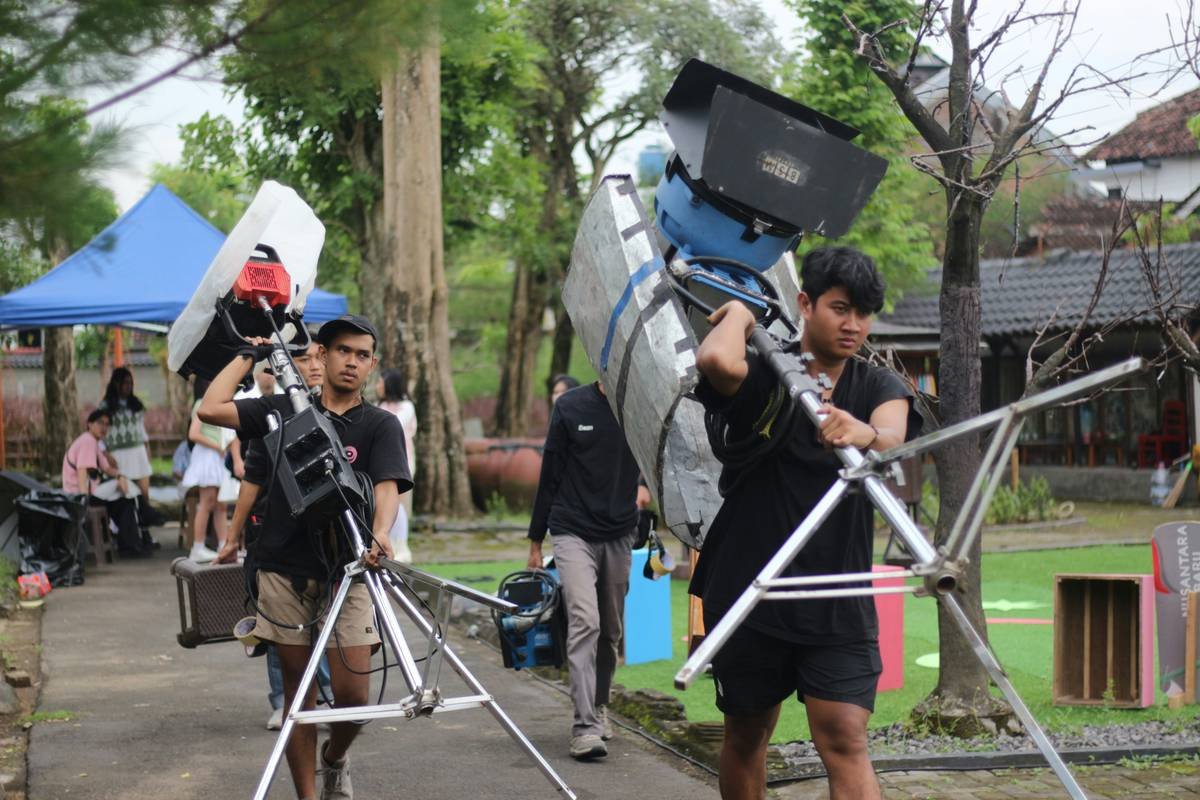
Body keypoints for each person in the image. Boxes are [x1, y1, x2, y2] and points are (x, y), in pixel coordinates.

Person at [691, 247, 921, 800]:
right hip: (750, 592)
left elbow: (892, 441)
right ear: (805, 303)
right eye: (840, 308)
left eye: (864, 313)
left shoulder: (877, 387)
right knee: (746, 735)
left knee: (845, 737)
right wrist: (744, 314)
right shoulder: (769, 370)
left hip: (836, 597)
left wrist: (862, 433)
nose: (853, 325)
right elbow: (717, 363)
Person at [199, 314, 410, 800]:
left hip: (350, 572)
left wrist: (380, 534)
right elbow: (211, 409)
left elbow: (387, 487)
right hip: (283, 571)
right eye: (342, 351)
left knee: (355, 698)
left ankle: (334, 758)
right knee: (300, 698)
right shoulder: (280, 411)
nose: (352, 362)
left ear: (372, 364)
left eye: (362, 355)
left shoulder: (380, 425)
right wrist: (248, 355)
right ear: (321, 354)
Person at [526, 374, 650, 761]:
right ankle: (583, 728)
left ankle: (598, 705)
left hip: (618, 530)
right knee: (585, 620)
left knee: (610, 631)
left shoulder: (639, 404)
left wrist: (646, 483)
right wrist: (535, 539)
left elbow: (657, 451)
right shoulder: (570, 406)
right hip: (571, 529)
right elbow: (550, 473)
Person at [215, 340, 332, 731]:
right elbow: (253, 478)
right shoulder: (272, 416)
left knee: (326, 625)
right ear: (284, 366)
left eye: (320, 357)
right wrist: (232, 537)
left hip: (328, 543)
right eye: (303, 359)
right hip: (274, 539)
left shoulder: (340, 412)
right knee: (279, 628)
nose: (314, 366)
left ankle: (325, 697)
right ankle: (284, 700)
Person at [62, 408, 152, 557]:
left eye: (107, 424)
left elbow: (108, 468)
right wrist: (84, 499)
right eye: (100, 423)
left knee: (125, 503)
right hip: (80, 495)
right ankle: (143, 521)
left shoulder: (95, 443)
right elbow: (82, 470)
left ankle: (130, 545)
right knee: (126, 495)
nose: (104, 427)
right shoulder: (87, 441)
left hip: (92, 492)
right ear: (89, 424)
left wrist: (120, 476)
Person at [98, 367, 163, 528]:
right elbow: (100, 432)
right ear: (116, 383)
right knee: (123, 495)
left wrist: (147, 450)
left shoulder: (136, 405)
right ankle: (124, 531)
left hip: (138, 452)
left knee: (144, 494)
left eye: (130, 383)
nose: (128, 386)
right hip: (117, 455)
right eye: (124, 383)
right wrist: (105, 453)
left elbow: (141, 430)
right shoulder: (105, 406)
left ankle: (145, 530)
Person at [181, 378, 232, 562]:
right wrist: (217, 446)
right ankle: (198, 547)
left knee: (221, 504)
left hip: (217, 456)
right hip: (207, 455)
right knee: (207, 502)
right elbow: (193, 434)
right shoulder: (201, 403)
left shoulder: (221, 403)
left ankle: (223, 546)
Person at [375, 367, 416, 563]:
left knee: (399, 506)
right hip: (380, 464)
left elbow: (392, 425)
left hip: (402, 463)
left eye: (380, 382)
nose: (377, 386)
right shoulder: (379, 405)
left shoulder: (407, 407)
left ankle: (401, 547)